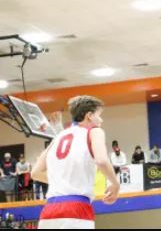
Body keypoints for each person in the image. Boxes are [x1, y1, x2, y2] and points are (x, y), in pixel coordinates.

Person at [31, 95, 119, 229]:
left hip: (49, 211)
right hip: (76, 208)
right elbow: (101, 160)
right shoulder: (95, 131)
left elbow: (35, 173)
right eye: (99, 115)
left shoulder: (58, 137)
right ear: (89, 116)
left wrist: (65, 180)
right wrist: (115, 184)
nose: (101, 120)